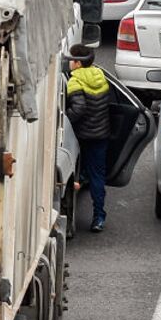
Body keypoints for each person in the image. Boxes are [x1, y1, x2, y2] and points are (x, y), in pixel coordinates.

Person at [64, 47, 113, 232]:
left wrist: (64, 116)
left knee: (79, 172)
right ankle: (99, 216)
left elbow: (79, 109)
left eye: (71, 59)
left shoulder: (75, 81)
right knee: (97, 176)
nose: (69, 62)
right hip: (101, 134)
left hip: (82, 136)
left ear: (77, 63)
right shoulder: (99, 74)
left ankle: (80, 179)